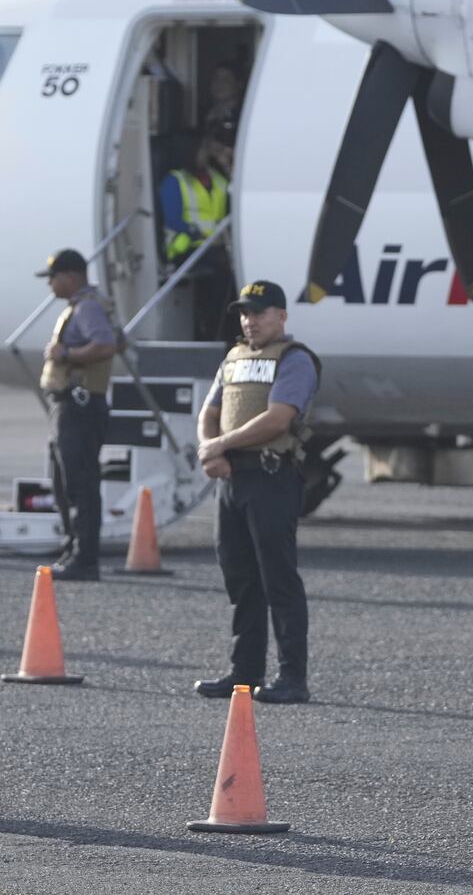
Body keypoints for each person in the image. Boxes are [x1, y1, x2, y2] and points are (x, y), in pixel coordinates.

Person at [193, 280, 320, 705]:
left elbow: (278, 419)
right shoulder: (233, 358)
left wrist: (220, 446)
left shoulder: (295, 360)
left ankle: (291, 677)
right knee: (240, 578)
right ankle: (243, 673)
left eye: (259, 312)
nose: (250, 320)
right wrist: (211, 451)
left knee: (278, 579)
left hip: (270, 475)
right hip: (232, 478)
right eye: (245, 313)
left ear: (281, 316)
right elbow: (209, 412)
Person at [36, 249, 119, 582]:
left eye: (54, 278)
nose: (51, 285)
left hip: (78, 405)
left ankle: (84, 558)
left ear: (71, 276)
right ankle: (75, 550)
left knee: (78, 483)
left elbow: (107, 344)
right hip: (74, 405)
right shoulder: (89, 305)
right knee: (66, 480)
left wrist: (67, 353)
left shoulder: (86, 308)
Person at [157, 123, 234, 341]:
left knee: (226, 269)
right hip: (186, 247)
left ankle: (223, 329)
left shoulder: (218, 179)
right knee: (222, 271)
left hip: (214, 246)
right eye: (203, 148)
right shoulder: (175, 181)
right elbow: (173, 220)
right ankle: (215, 332)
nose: (207, 153)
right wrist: (200, 233)